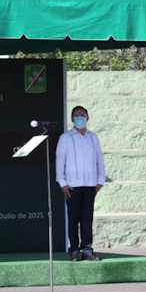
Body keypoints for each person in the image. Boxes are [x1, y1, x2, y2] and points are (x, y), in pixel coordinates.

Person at [55, 105, 106, 261]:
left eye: (82, 115)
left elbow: (99, 159)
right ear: (72, 119)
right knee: (73, 217)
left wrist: (100, 180)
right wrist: (62, 182)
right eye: (76, 116)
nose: (79, 118)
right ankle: (74, 249)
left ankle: (87, 249)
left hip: (90, 184)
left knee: (87, 218)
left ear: (87, 117)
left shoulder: (93, 137)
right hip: (72, 185)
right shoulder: (66, 137)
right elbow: (60, 160)